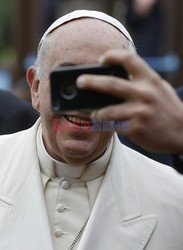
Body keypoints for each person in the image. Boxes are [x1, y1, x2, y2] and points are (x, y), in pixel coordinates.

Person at [0, 10, 183, 250]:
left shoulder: (174, 196)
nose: (84, 105)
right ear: (36, 88)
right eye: (69, 84)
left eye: (101, 83)